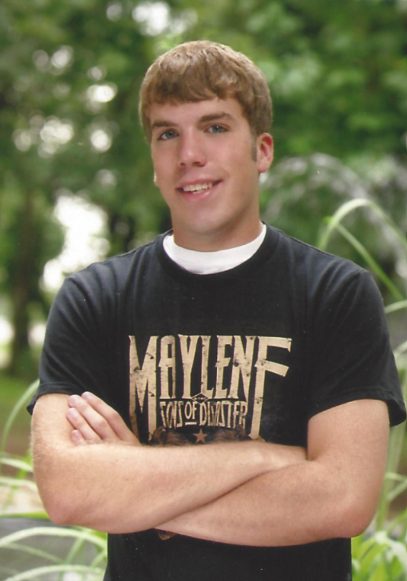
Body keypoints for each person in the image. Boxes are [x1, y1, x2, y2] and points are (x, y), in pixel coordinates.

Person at [29, 40, 406, 581]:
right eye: (167, 134)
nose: (189, 155)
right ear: (155, 161)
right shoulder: (95, 299)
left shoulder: (335, 294)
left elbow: (343, 499)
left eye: (215, 127)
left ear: (263, 150)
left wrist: (137, 486)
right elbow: (67, 491)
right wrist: (264, 457)